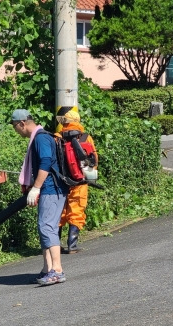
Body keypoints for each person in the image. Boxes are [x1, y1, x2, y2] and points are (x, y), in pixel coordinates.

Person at [11, 109, 69, 286]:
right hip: (50, 189)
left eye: (15, 127)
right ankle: (47, 268)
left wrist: (35, 187)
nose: (16, 131)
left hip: (52, 189)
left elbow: (45, 162)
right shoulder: (39, 137)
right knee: (43, 227)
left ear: (22, 123)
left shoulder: (41, 138)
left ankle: (57, 270)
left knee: (47, 227)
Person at [55, 108, 97, 254]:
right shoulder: (85, 137)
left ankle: (56, 245)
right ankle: (72, 245)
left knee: (59, 211)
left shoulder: (56, 137)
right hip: (80, 181)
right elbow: (94, 160)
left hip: (60, 181)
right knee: (77, 210)